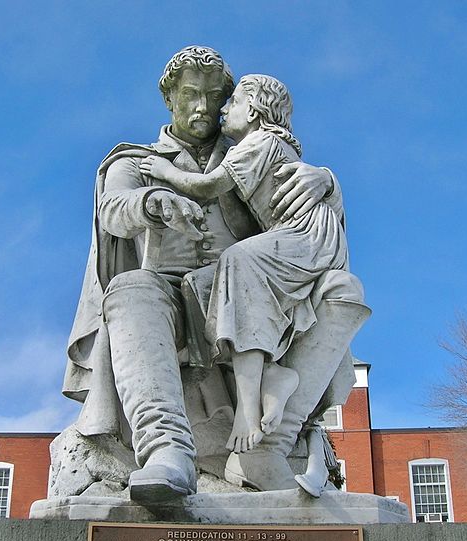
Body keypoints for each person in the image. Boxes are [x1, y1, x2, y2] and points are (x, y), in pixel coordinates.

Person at [61, 46, 367, 502]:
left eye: (212, 97)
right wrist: (151, 202)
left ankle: (269, 447)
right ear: (170, 99)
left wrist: (327, 181)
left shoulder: (251, 151)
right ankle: (167, 452)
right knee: (130, 290)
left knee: (344, 289)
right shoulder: (137, 160)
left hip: (257, 301)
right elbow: (114, 209)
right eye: (190, 95)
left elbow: (309, 219)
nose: (202, 107)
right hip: (173, 303)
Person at [139, 74, 346, 456]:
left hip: (307, 236)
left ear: (252, 109)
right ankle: (272, 377)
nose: (219, 109)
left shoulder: (259, 142)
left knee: (238, 259)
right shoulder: (266, 144)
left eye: (229, 101)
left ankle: (247, 410)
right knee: (207, 284)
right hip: (296, 237)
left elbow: (207, 186)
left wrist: (164, 173)